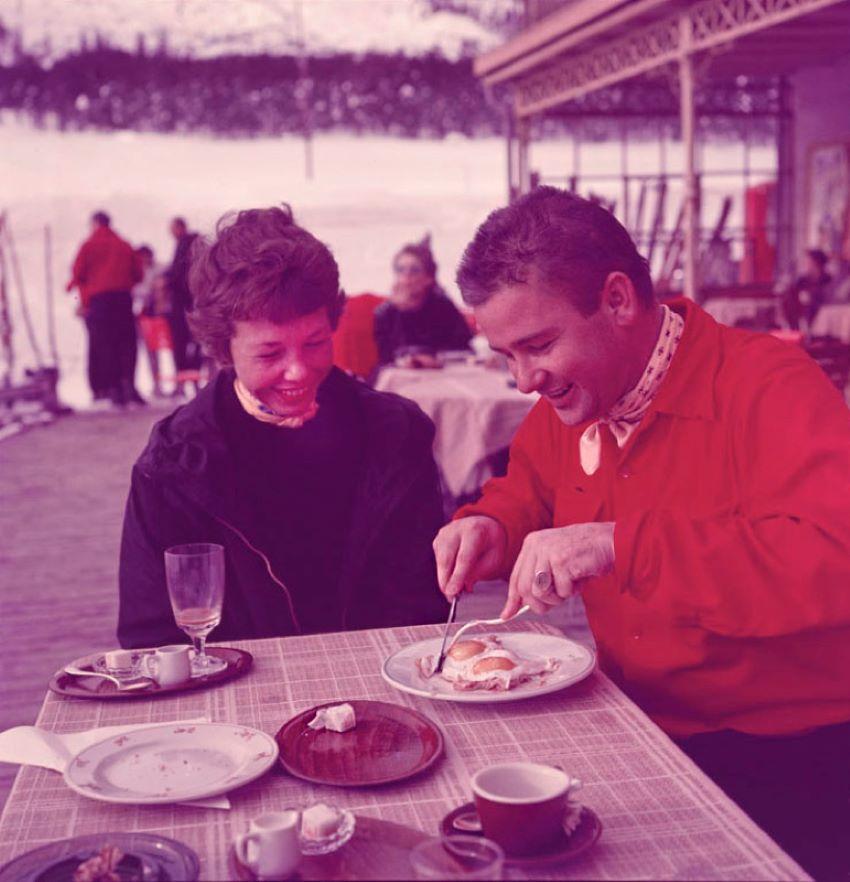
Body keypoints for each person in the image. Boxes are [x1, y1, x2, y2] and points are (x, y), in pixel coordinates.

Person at [433, 187, 850, 881]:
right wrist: (486, 526)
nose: (523, 380)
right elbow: (526, 494)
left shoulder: (770, 385)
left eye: (537, 346)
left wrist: (620, 544)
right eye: (506, 355)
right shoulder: (572, 404)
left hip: (794, 758)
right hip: (636, 731)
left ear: (619, 301)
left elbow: (833, 561)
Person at [118, 205, 447, 649]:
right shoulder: (175, 464)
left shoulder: (397, 435)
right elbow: (150, 635)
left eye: (315, 344)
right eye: (270, 355)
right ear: (223, 348)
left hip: (380, 688)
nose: (298, 372)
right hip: (234, 701)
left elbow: (425, 610)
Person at [67, 210, 145, 407]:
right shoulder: (124, 244)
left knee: (104, 344)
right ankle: (128, 385)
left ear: (94, 224)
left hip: (99, 302)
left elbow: (78, 273)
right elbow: (138, 273)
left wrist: (84, 299)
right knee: (126, 344)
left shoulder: (88, 245)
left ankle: (111, 390)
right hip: (122, 299)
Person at [373, 236, 472, 368]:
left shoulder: (444, 308)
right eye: (400, 269)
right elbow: (386, 358)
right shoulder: (385, 313)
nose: (406, 276)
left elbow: (463, 349)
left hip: (440, 374)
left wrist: (433, 358)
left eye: (414, 270)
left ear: (428, 278)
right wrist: (403, 312)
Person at [166, 216, 202, 395]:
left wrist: (168, 281)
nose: (170, 232)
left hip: (183, 305)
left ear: (180, 227)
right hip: (193, 304)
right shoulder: (191, 244)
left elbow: (178, 275)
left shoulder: (185, 245)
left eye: (172, 228)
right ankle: (192, 386)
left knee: (182, 345)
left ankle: (183, 385)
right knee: (193, 346)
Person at [132, 245, 170, 398]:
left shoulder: (160, 269)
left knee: (163, 350)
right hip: (143, 317)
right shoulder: (136, 273)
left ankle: (170, 383)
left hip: (158, 315)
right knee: (150, 352)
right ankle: (157, 385)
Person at [782, 248, 831, 331]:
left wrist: (810, 298)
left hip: (821, 313)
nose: (805, 264)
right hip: (802, 314)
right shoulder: (802, 281)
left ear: (816, 263)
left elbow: (827, 298)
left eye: (807, 262)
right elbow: (793, 295)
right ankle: (794, 329)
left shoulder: (828, 280)